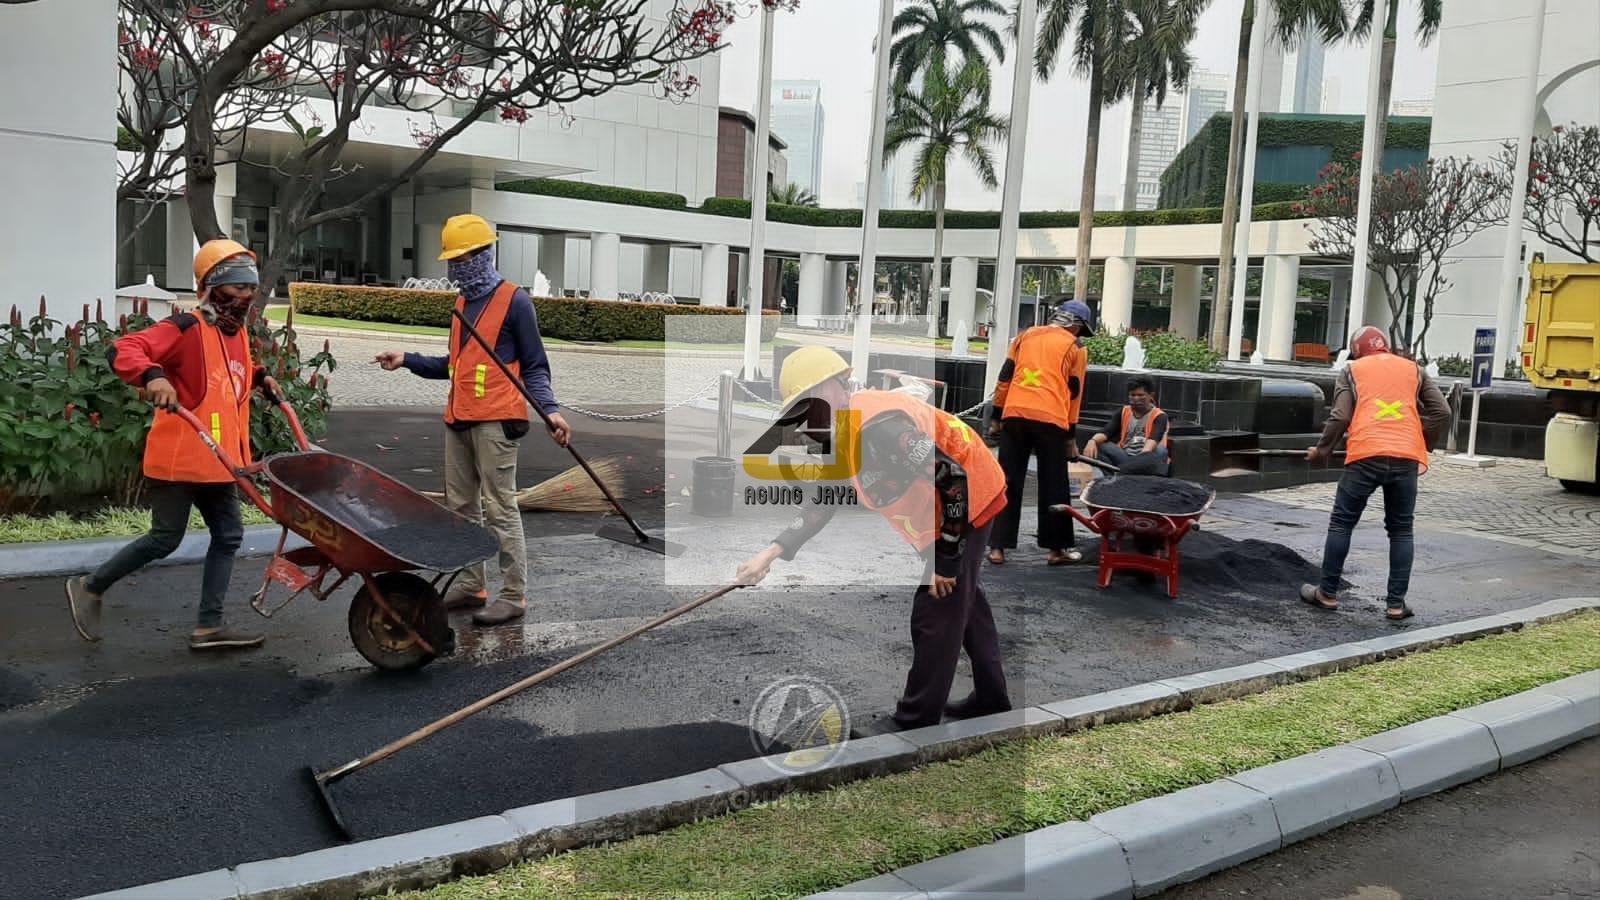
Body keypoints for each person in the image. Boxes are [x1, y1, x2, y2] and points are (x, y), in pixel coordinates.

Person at [736, 347, 1010, 733]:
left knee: (937, 607)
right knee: (967, 601)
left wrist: (946, 560)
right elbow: (821, 503)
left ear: (839, 385)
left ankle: (915, 721)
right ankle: (992, 699)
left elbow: (952, 479)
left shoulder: (879, 425)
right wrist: (769, 554)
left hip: (971, 498)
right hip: (940, 512)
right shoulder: (838, 433)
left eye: (814, 396)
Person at [65, 240, 282, 650]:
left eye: (250, 288)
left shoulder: (234, 333)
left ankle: (208, 627)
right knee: (166, 538)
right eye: (236, 288)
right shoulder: (185, 327)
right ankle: (89, 586)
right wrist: (153, 376)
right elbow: (126, 348)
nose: (246, 297)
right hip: (180, 457)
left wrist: (258, 376)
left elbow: (226, 372)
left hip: (219, 460)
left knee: (229, 535)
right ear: (210, 287)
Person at [375, 215, 572, 627]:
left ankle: (513, 595)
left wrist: (550, 410)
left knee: (500, 508)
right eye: (453, 258)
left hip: (497, 424)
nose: (458, 266)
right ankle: (470, 584)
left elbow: (536, 367)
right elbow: (456, 365)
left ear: (486, 253)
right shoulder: (463, 303)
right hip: (459, 419)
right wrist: (407, 360)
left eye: (466, 256)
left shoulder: (515, 301)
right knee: (461, 508)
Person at [1300, 326, 1451, 621]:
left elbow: (1341, 415)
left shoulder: (1353, 369)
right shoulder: (1414, 369)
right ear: (1385, 347)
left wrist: (1322, 451)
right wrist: (1422, 439)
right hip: (1406, 456)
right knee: (1401, 530)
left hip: (1366, 454)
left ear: (1357, 350)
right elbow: (1442, 412)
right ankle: (1396, 605)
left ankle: (1327, 594)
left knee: (1342, 524)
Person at [986, 299, 1092, 566]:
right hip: (1052, 419)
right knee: (1053, 483)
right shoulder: (1076, 347)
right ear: (1075, 325)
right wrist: (1071, 437)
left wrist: (997, 418)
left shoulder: (1024, 336)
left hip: (1015, 414)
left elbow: (1005, 377)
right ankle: (1056, 550)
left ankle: (997, 547)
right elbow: (1074, 394)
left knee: (1007, 481)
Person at [1084, 376, 1170, 476]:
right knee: (1101, 445)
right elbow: (1107, 431)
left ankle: (1119, 472)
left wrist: (1136, 464)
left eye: (1140, 395)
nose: (1136, 399)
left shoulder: (1160, 416)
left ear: (1151, 396)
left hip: (1147, 459)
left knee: (1160, 450)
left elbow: (1151, 443)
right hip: (1125, 456)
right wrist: (1092, 441)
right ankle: (1114, 476)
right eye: (1132, 395)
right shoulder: (1124, 411)